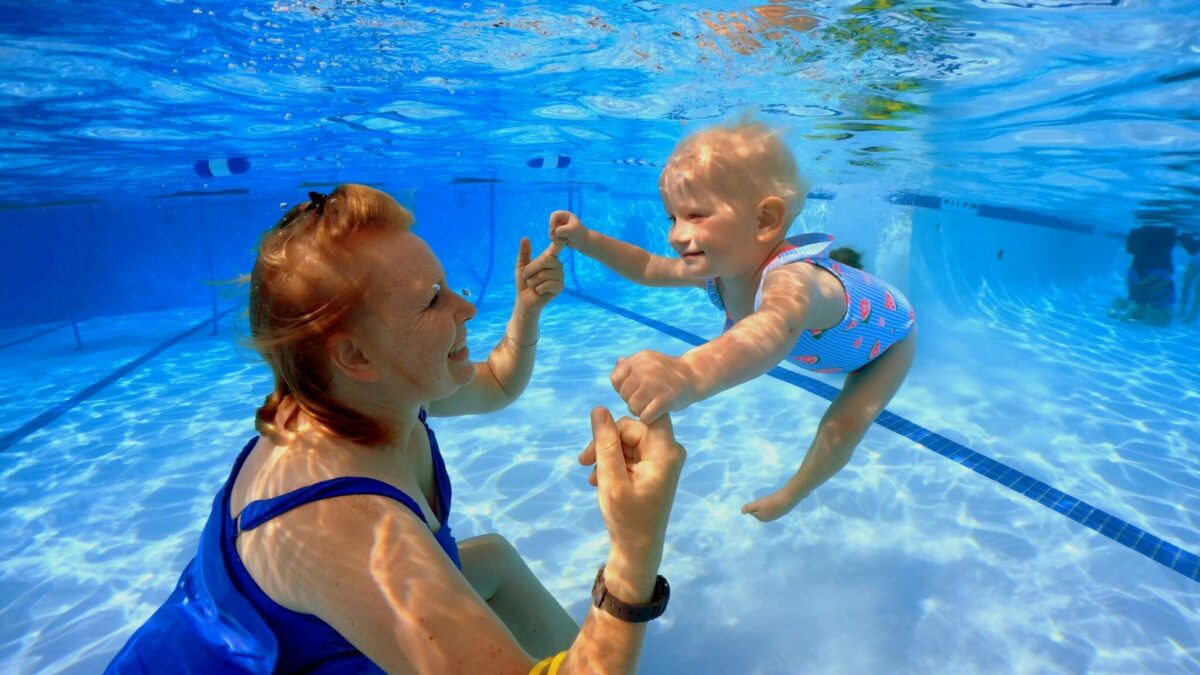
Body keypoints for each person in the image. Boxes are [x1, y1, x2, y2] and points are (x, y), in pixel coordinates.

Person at [107, 184, 687, 674]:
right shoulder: (350, 527)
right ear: (357, 356)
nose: (465, 307)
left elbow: (500, 384)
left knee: (492, 561)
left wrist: (526, 310)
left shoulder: (362, 393)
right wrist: (635, 552)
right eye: (432, 301)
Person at [543, 120, 917, 523]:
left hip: (890, 343)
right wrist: (587, 240)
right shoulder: (720, 270)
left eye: (694, 215)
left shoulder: (792, 280)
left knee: (842, 426)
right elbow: (650, 267)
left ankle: (793, 493)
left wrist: (688, 373)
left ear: (764, 221)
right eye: (671, 218)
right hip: (836, 344)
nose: (675, 235)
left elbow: (773, 329)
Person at [1108, 223, 1178, 326]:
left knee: (1139, 304)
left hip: (1138, 271)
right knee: (1164, 319)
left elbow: (1129, 249)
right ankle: (1131, 309)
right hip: (1158, 274)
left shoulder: (1142, 231)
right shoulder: (1166, 232)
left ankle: (1120, 309)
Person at [1178, 230, 1200, 322]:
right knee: (1186, 286)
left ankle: (1191, 316)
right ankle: (1182, 311)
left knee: (1197, 291)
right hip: (1195, 259)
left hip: (1195, 259)